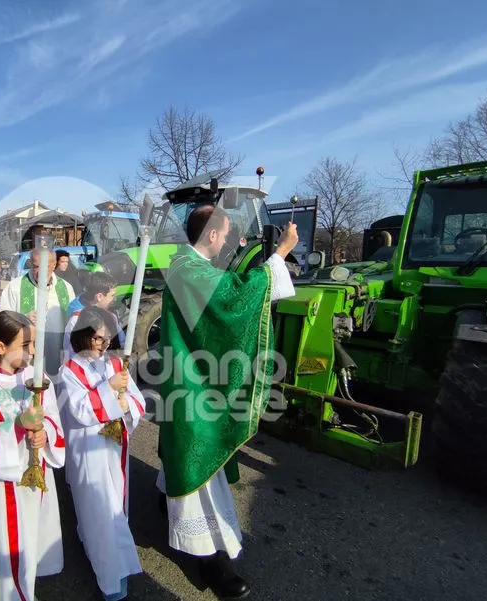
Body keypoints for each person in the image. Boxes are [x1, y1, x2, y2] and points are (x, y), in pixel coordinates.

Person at [156, 205, 298, 600]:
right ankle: (209, 557)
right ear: (213, 236)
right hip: (194, 385)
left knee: (181, 448)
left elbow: (224, 293)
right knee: (199, 454)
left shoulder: (186, 264)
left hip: (189, 375)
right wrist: (280, 253)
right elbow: (235, 299)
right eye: (228, 233)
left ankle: (166, 495)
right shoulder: (190, 270)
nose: (232, 241)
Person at [0, 310, 65, 601]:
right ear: (0, 347)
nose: (32, 352)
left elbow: (53, 418)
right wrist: (18, 426)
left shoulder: (35, 376)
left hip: (33, 475)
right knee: (5, 559)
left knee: (30, 545)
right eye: (25, 345)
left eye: (34, 344)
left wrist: (47, 434)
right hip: (1, 488)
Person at [58, 306, 145, 601]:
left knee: (114, 508)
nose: (104, 345)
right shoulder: (68, 370)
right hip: (89, 451)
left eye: (107, 339)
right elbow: (80, 410)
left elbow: (137, 398)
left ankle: (99, 550)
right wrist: (109, 390)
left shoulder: (112, 363)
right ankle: (111, 576)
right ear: (82, 336)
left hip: (114, 448)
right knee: (101, 511)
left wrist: (127, 404)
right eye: (98, 339)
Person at [0, 248, 75, 376]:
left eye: (45, 267)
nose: (39, 272)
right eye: (36, 266)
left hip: (58, 355)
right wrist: (21, 319)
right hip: (26, 358)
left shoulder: (66, 288)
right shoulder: (16, 287)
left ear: (54, 265)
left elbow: (73, 322)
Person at [63, 272, 124, 358]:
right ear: (99, 297)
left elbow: (121, 342)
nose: (114, 299)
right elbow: (74, 353)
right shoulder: (77, 320)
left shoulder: (111, 316)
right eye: (112, 295)